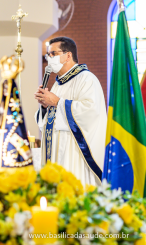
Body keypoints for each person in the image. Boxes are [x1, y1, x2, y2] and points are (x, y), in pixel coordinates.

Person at [34, 37, 107, 186]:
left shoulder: (86, 79)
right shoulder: (57, 84)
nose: (50, 58)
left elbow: (90, 112)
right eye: (48, 55)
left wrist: (57, 102)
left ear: (68, 55)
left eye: (53, 53)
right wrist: (44, 107)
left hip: (74, 152)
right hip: (55, 150)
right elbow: (49, 122)